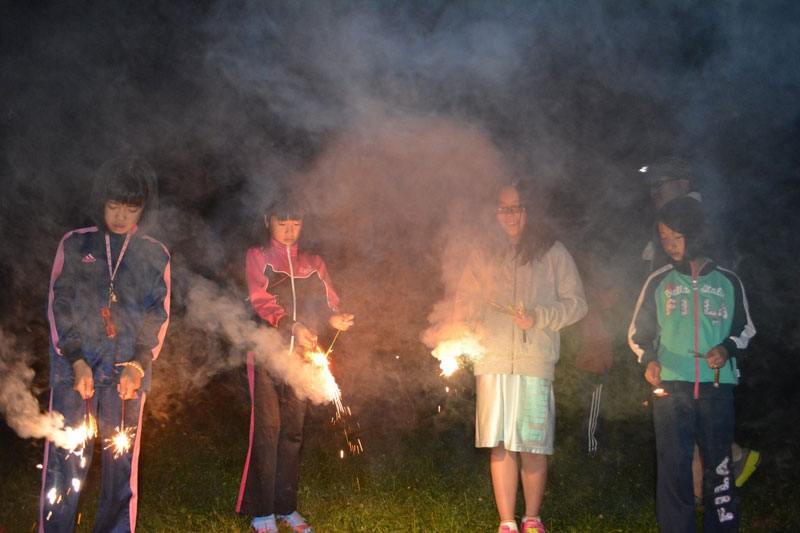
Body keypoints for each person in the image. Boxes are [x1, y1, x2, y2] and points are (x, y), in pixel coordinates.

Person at [39, 157, 171, 532]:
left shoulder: (154, 253)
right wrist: (76, 359)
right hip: (74, 368)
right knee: (65, 458)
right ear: (101, 201)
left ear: (144, 207)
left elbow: (158, 313)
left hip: (128, 371)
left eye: (131, 208)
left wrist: (139, 363)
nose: (120, 216)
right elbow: (59, 304)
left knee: (121, 462)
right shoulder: (76, 242)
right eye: (113, 205)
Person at [454, 180, 587, 533]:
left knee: (532, 444)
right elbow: (464, 299)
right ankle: (507, 522)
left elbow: (577, 303)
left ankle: (532, 519)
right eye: (503, 208)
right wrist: (467, 328)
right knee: (500, 445)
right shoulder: (483, 252)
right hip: (492, 359)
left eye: (517, 208)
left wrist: (540, 316)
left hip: (534, 361)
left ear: (531, 210)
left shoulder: (553, 251)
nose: (510, 215)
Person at [628, 197, 756, 532]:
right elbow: (638, 333)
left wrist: (726, 348)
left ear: (696, 233)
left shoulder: (727, 281)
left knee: (720, 467)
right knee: (674, 467)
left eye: (677, 237)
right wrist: (650, 360)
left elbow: (746, 329)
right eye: (664, 238)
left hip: (717, 387)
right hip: (671, 388)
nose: (669, 245)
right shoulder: (660, 281)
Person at [236, 188, 354, 533]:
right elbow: (260, 300)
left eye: (296, 223)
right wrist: (292, 325)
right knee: (267, 430)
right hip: (267, 354)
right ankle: (261, 512)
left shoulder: (313, 261)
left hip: (302, 358)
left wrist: (336, 318)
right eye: (282, 222)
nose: (289, 230)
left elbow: (329, 300)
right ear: (267, 222)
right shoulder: (258, 256)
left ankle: (286, 506)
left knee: (292, 433)